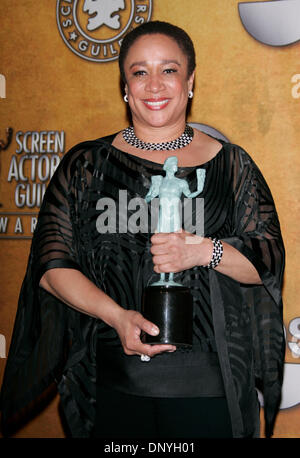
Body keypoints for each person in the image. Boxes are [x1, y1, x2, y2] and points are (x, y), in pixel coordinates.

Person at [0, 21, 285, 439]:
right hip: (110, 387)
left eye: (168, 70)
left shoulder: (231, 166)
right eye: (139, 72)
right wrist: (115, 316)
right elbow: (50, 264)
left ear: (190, 82)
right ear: (124, 86)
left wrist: (204, 251)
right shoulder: (87, 165)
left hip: (207, 391)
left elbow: (266, 262)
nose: (154, 85)